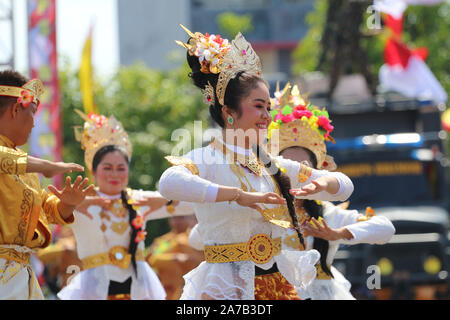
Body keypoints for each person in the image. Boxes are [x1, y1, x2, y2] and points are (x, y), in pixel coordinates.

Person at [157, 26, 355, 300]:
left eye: (268, 108)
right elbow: (168, 183)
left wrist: (321, 183)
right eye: (258, 106)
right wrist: (239, 196)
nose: (266, 115)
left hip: (276, 284)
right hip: (226, 288)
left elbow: (345, 187)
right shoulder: (206, 159)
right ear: (229, 112)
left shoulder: (272, 165)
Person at [267, 83, 395, 299]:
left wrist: (338, 234)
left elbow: (386, 228)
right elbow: (199, 238)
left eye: (305, 170)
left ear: (318, 172)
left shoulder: (327, 215)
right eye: (288, 167)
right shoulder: (263, 210)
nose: (297, 177)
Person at [57, 111, 193, 300]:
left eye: (121, 168)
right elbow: (49, 210)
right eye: (107, 168)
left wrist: (165, 201)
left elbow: (194, 204)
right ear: (94, 172)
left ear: (128, 171)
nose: (115, 174)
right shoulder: (81, 201)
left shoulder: (139, 199)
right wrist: (69, 205)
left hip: (138, 289)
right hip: (94, 290)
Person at [0, 70, 93, 299]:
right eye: (32, 112)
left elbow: (44, 207)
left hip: (19, 274)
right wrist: (47, 166)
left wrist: (66, 205)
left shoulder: (23, 164)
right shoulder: (22, 162)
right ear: (15, 110)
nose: (34, 123)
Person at [147, 215, 204, 300]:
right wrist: (175, 258)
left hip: (194, 289)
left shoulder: (197, 240)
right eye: (174, 218)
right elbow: (153, 259)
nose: (177, 221)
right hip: (167, 290)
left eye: (181, 217)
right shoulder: (165, 240)